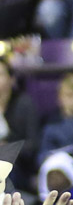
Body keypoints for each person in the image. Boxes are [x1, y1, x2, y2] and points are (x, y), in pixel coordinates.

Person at [0, 57, 39, 192]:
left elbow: (33, 144)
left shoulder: (24, 104)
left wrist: (8, 148)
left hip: (19, 166)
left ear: (11, 79)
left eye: (0, 74)